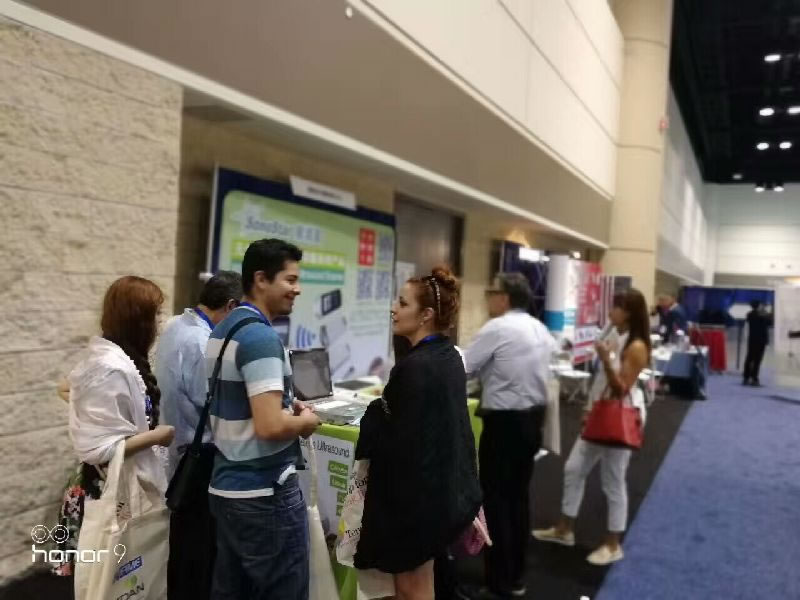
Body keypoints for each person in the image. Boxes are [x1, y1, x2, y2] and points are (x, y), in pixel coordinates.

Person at [355, 266, 482, 600]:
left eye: (402, 303)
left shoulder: (417, 367)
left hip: (416, 503)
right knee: (418, 583)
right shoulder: (448, 356)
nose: (393, 309)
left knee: (411, 587)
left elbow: (398, 440)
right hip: (439, 495)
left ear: (426, 314)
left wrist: (375, 414)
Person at [206, 238, 320, 600]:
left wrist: (285, 406)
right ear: (260, 279)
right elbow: (270, 426)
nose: (297, 289)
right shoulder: (261, 338)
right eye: (290, 280)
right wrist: (306, 422)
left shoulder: (223, 329)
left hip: (227, 489)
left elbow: (240, 405)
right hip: (264, 494)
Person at [54, 276, 175, 576]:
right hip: (109, 489)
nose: (159, 323)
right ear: (138, 320)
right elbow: (102, 450)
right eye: (155, 315)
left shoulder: (114, 358)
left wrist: (96, 414)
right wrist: (157, 436)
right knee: (112, 578)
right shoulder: (111, 367)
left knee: (123, 576)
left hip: (116, 485)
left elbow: (67, 388)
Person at [533, 289, 651, 566]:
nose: (610, 312)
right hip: (601, 412)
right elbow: (601, 381)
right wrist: (589, 408)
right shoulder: (614, 336)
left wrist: (607, 359)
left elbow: (621, 389)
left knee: (613, 479)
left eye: (616, 307)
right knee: (574, 468)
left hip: (621, 415)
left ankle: (613, 544)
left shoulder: (637, 346)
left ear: (629, 313)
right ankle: (565, 529)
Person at [458, 272, 557, 599]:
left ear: (503, 298)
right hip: (532, 421)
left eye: (491, 292)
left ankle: (497, 583)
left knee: (496, 500)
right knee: (519, 498)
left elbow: (464, 367)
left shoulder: (498, 328)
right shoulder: (540, 329)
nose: (487, 298)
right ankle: (515, 576)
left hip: (504, 425)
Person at [154, 270, 242, 600]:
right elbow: (217, 404)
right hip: (200, 457)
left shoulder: (176, 325)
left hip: (178, 449)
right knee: (200, 550)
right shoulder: (203, 343)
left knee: (183, 546)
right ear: (230, 306)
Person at [743, 300, 771, 386]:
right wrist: (766, 313)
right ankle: (754, 378)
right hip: (761, 340)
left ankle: (746, 377)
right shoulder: (763, 315)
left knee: (749, 358)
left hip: (752, 339)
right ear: (758, 306)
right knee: (757, 360)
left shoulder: (749, 314)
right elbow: (769, 323)